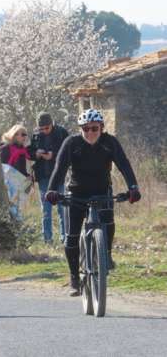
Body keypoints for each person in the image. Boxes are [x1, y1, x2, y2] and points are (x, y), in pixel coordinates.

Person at [45, 109, 141, 296]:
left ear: (101, 128)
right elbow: (59, 168)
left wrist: (133, 187)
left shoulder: (109, 142)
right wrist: (52, 190)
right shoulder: (71, 143)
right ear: (80, 129)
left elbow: (124, 164)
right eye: (85, 129)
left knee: (108, 222)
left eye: (94, 129)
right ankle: (74, 277)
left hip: (102, 191)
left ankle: (106, 255)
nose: (90, 133)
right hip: (76, 193)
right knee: (71, 236)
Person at [29, 112, 69, 243]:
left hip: (58, 177)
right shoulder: (35, 135)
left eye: (47, 128)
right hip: (43, 177)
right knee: (46, 210)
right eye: (41, 129)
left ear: (52, 124)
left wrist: (54, 155)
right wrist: (37, 153)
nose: (44, 131)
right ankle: (47, 239)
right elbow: (29, 153)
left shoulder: (62, 133)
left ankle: (65, 237)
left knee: (61, 208)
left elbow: (69, 151)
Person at [0, 124, 31, 221]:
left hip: (22, 182)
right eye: (18, 134)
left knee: (20, 208)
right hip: (10, 183)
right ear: (13, 135)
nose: (21, 136)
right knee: (12, 207)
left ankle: (17, 229)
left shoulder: (25, 149)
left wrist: (29, 177)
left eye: (24, 134)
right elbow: (2, 167)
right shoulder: (5, 148)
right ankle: (13, 228)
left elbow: (25, 167)